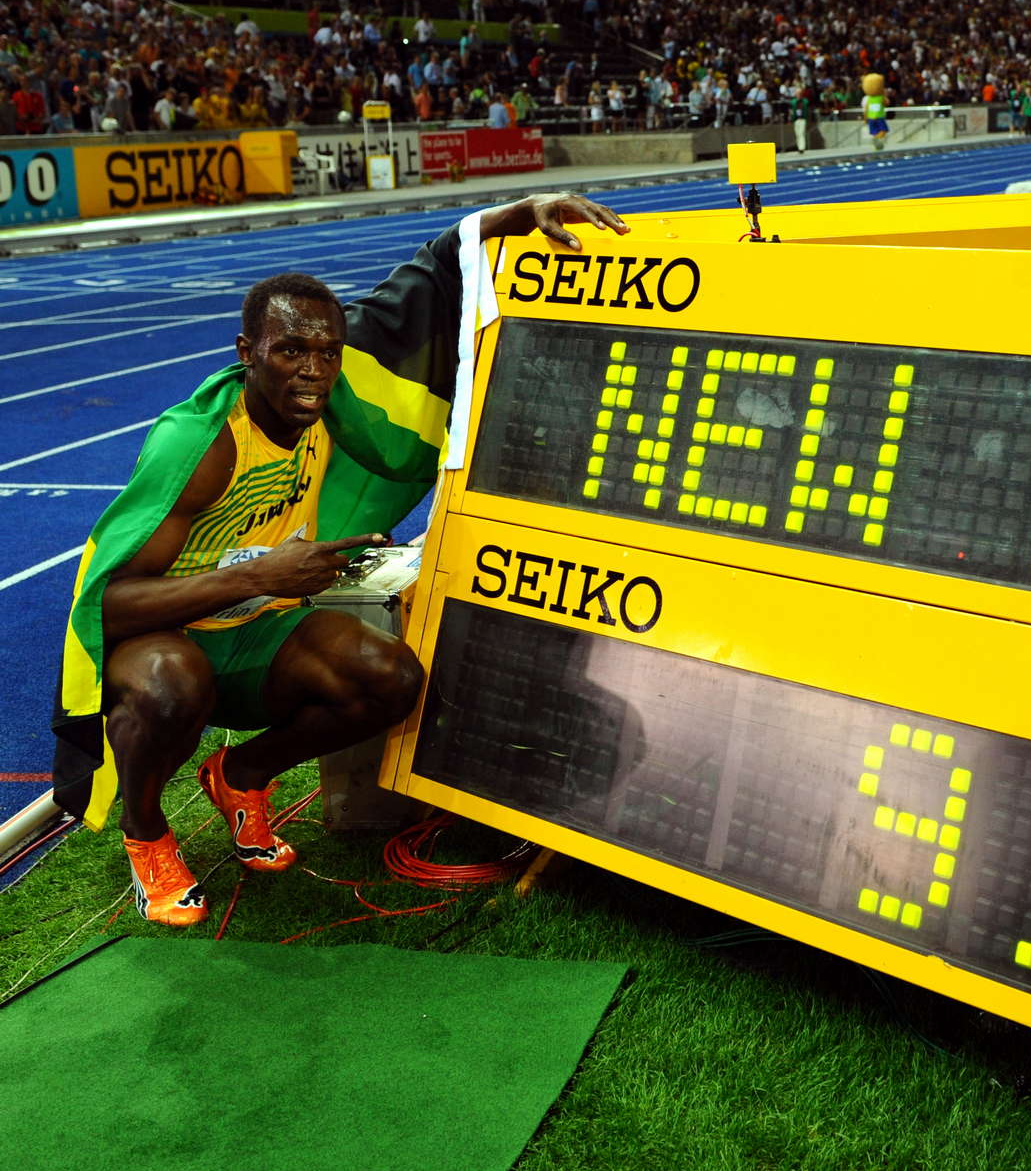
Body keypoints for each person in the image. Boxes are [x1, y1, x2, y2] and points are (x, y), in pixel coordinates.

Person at [52, 194, 629, 927]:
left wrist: (520, 212)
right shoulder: (200, 445)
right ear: (246, 352)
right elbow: (107, 605)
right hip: (167, 638)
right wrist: (257, 576)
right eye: (290, 351)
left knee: (391, 679)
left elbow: (425, 283)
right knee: (171, 686)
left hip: (257, 629)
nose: (313, 371)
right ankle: (147, 834)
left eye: (328, 353)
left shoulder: (334, 400)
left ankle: (240, 775)